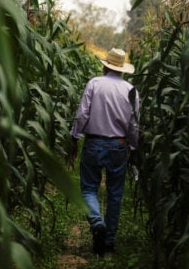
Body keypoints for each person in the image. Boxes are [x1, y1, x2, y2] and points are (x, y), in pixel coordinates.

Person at [70, 48, 140, 256]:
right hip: (119, 145)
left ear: (105, 65)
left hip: (93, 143)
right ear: (123, 69)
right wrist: (133, 148)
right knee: (115, 194)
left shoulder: (95, 83)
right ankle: (108, 243)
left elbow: (82, 114)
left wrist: (74, 137)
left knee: (89, 189)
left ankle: (96, 222)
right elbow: (134, 125)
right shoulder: (131, 90)